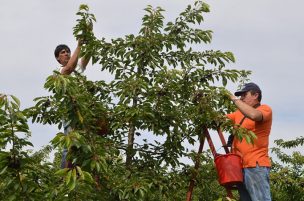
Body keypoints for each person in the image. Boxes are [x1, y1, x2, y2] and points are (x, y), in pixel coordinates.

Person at [226, 82, 272, 201]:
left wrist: (234, 99)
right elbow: (217, 119)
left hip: (255, 165)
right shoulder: (238, 114)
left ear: (255, 95)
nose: (241, 98)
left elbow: (254, 115)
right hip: (239, 167)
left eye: (244, 95)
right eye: (240, 96)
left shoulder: (265, 109)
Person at [54, 40, 91, 168]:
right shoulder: (60, 72)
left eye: (68, 51)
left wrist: (88, 38)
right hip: (70, 111)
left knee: (85, 142)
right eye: (63, 53)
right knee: (70, 143)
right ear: (58, 59)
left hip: (83, 109)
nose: (67, 54)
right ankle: (64, 175)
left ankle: (80, 173)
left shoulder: (76, 69)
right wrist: (79, 45)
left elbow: (86, 57)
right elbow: (69, 68)